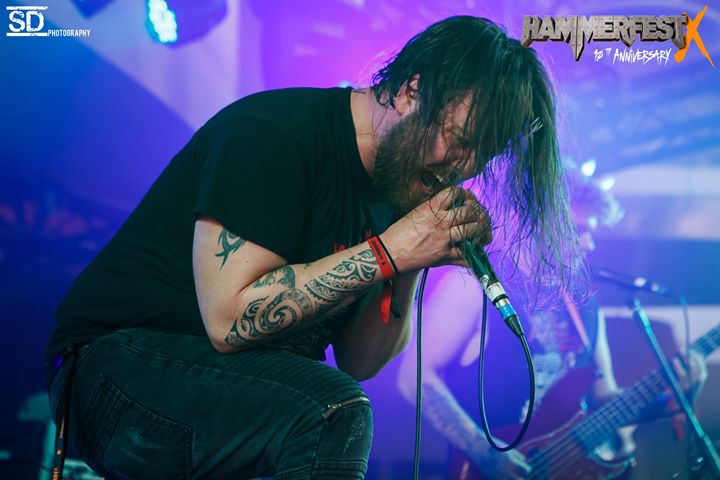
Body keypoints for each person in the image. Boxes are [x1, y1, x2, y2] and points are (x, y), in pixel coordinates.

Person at [44, 16, 581, 480]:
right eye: (460, 139)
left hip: (233, 388)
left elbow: (360, 361)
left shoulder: (396, 185)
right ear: (411, 90)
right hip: (113, 371)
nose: (463, 166)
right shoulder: (275, 135)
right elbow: (229, 320)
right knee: (332, 410)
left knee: (334, 401)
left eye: (483, 154)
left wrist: (416, 258)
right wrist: (392, 250)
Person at [396, 166, 708, 479]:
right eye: (580, 229)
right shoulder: (473, 285)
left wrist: (672, 394)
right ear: (540, 220)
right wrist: (486, 453)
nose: (589, 244)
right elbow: (413, 378)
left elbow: (602, 400)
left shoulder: (584, 305)